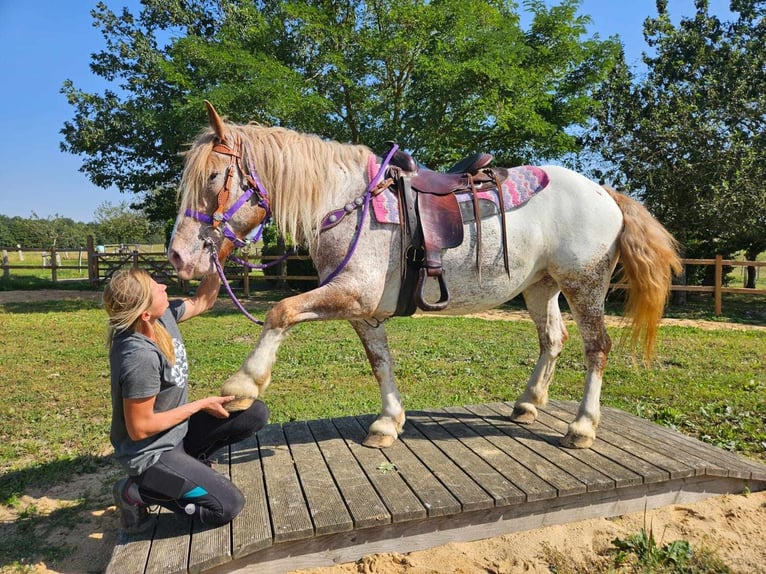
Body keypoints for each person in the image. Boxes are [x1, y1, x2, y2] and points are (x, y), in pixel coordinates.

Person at [103, 268, 269, 533]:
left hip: (177, 433)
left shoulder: (161, 317)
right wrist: (200, 405)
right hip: (152, 455)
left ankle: (189, 466)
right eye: (154, 287)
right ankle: (137, 492)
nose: (163, 286)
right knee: (227, 505)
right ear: (144, 313)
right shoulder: (138, 357)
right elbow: (140, 428)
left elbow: (203, 300)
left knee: (253, 413)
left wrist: (219, 258)